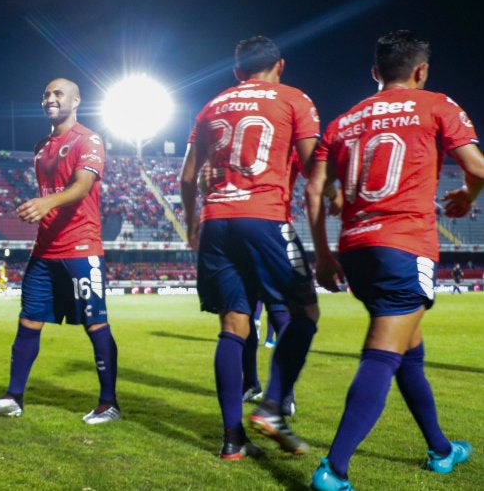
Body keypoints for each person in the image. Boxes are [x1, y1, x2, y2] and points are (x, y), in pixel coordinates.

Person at [306, 30, 481, 491]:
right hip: (403, 245)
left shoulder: (343, 121)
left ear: (375, 72)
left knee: (409, 354)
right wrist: (467, 194)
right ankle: (334, 470)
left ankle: (442, 449)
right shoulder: (437, 104)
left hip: (355, 249)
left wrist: (322, 253)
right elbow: (478, 168)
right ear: (421, 71)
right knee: (382, 357)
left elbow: (315, 190)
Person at [179, 35, 320, 460]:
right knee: (304, 311)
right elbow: (315, 167)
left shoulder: (212, 105)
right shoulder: (293, 98)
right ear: (280, 65)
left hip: (216, 222)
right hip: (264, 216)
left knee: (233, 326)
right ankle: (274, 405)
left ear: (237, 71)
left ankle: (231, 439)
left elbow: (187, 178)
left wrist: (191, 224)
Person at [0, 78, 121, 425]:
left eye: (58, 93)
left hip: (81, 245)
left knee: (95, 323)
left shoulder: (89, 139)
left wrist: (46, 202)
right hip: (45, 249)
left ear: (76, 100)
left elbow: (83, 185)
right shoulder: (42, 145)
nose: (50, 99)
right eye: (46, 94)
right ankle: (13, 397)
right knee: (28, 320)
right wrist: (44, 207)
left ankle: (109, 402)